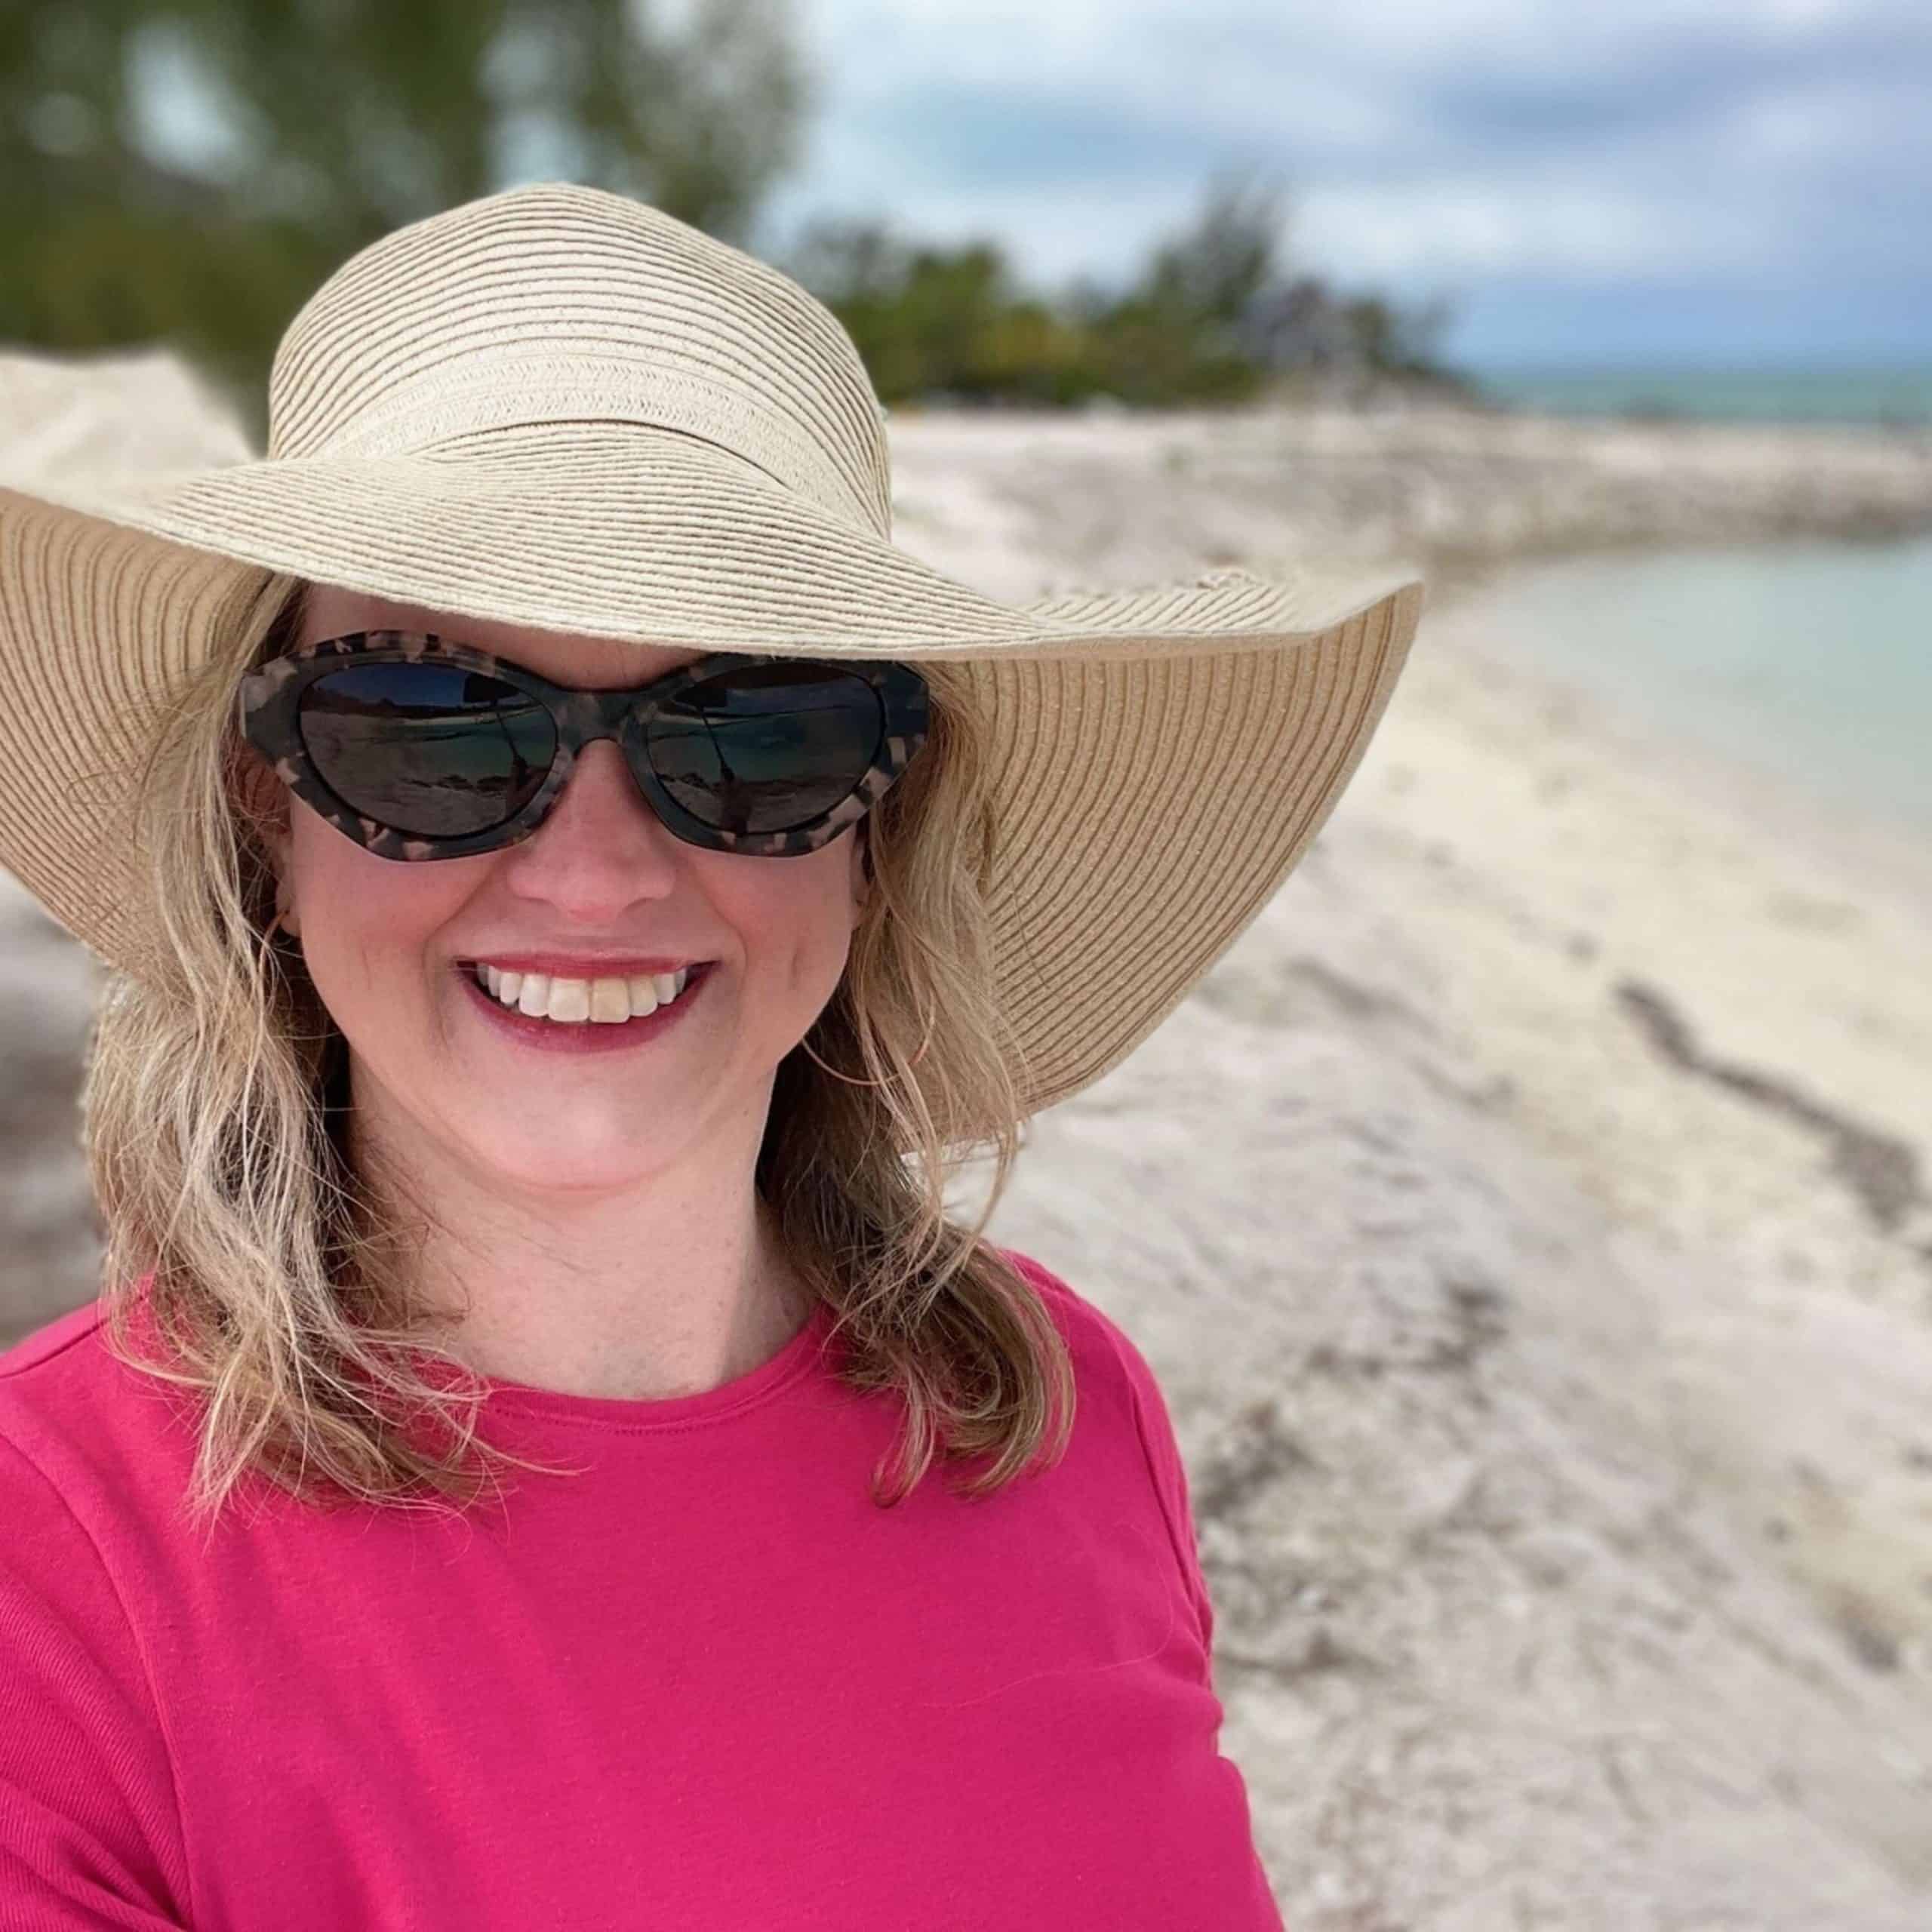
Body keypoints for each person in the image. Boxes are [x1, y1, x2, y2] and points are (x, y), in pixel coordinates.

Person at [0, 181, 1423, 1927]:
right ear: (266, 792)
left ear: (876, 818)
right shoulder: (53, 1574)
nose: (592, 873)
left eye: (748, 731)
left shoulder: (1063, 1404)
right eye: (434, 728)